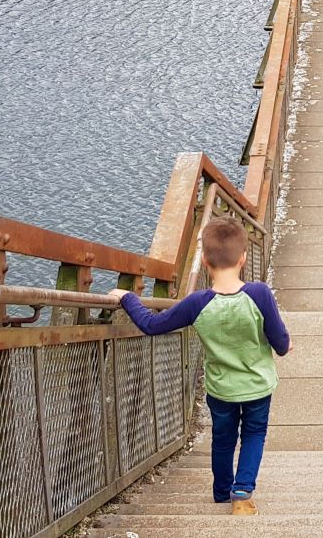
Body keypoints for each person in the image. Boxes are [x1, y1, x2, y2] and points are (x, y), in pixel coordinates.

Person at [110, 219, 290, 515]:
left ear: (205, 260)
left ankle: (221, 492)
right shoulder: (259, 294)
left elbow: (152, 325)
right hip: (257, 385)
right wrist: (286, 344)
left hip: (221, 389)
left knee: (223, 439)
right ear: (244, 256)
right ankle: (242, 490)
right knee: (254, 434)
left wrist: (128, 298)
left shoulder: (197, 303)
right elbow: (280, 342)